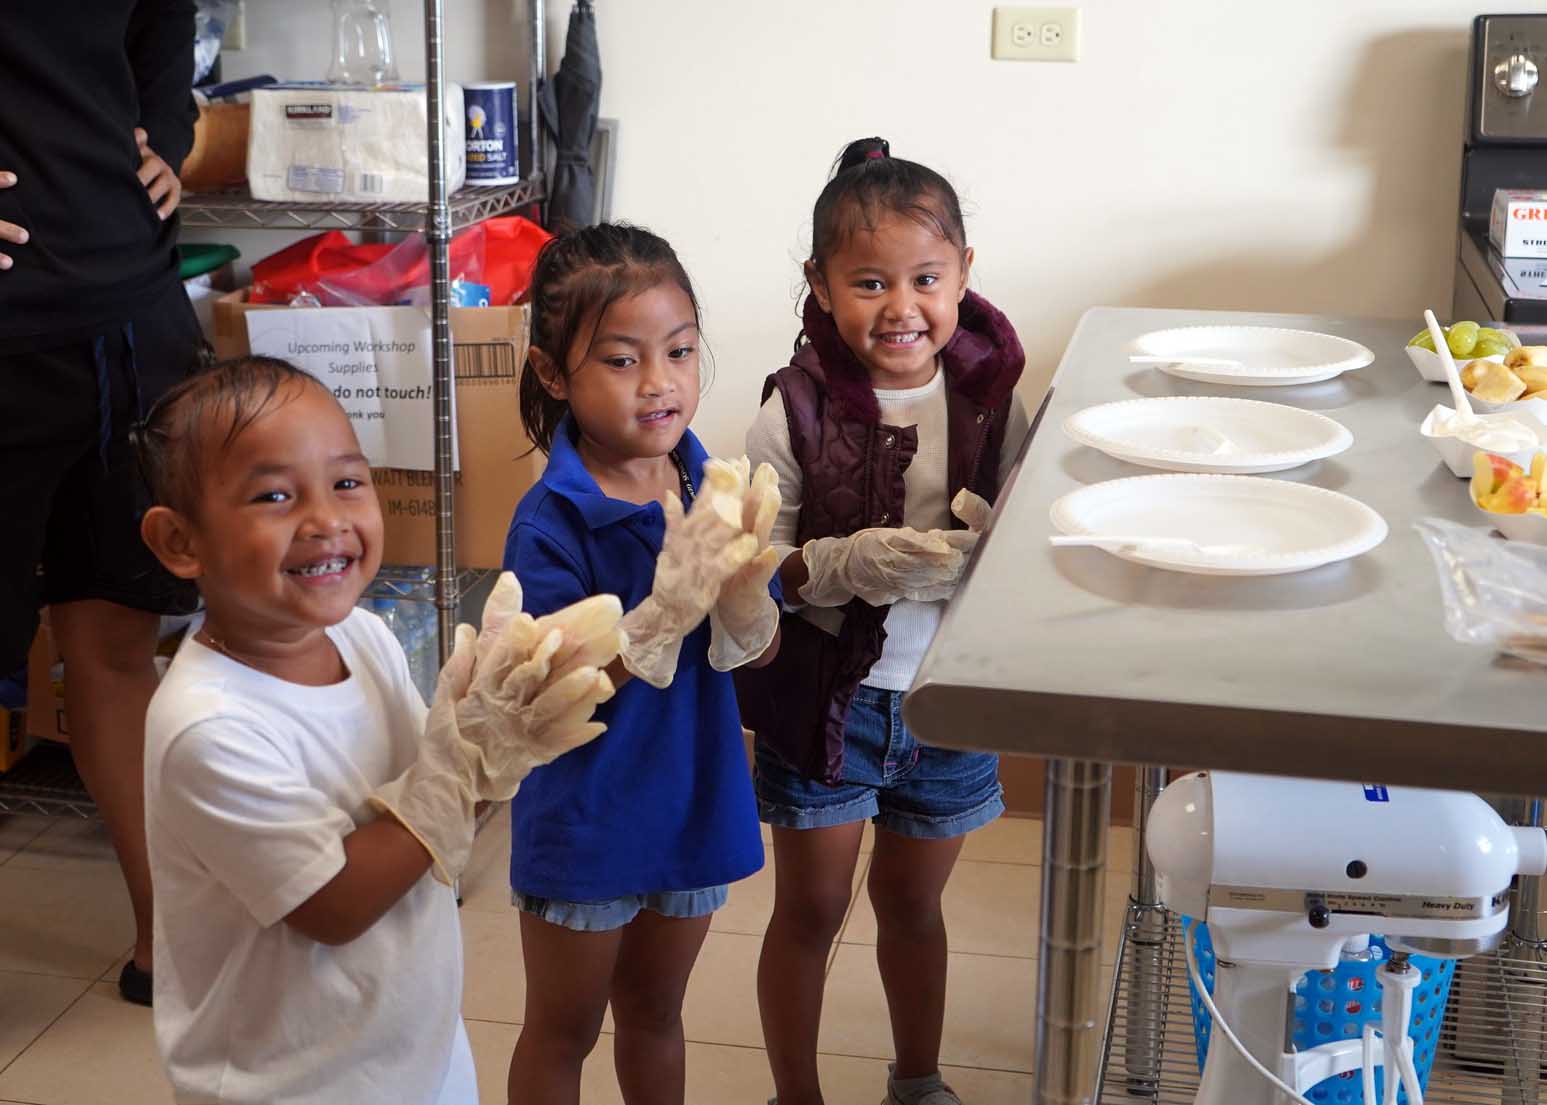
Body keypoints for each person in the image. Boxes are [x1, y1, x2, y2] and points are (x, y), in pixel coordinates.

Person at [134, 355, 621, 1104]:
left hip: (411, 1050)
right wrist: (465, 766)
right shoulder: (209, 728)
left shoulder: (364, 637)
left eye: (347, 481)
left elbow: (440, 799)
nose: (326, 519)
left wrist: (499, 740)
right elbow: (335, 905)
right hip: (292, 1080)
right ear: (179, 541)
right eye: (273, 494)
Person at [736, 137, 1032, 1105]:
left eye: (924, 278)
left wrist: (1003, 552)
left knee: (912, 904)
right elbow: (750, 575)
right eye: (867, 282)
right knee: (810, 909)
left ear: (962, 276)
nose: (900, 306)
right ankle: (796, 1093)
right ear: (819, 287)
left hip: (947, 698)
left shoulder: (990, 398)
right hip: (831, 701)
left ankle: (916, 1079)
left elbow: (1026, 527)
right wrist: (831, 565)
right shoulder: (792, 411)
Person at [502, 223, 783, 1105]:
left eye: (679, 350)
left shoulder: (710, 481)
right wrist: (661, 613)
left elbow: (752, 647)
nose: (659, 382)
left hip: (692, 796)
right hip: (589, 814)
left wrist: (742, 602)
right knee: (565, 1027)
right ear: (555, 375)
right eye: (621, 360)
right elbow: (547, 693)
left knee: (658, 1013)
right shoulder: (551, 520)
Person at [0, 0, 205, 1006]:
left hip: (130, 315)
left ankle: (165, 944)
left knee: (118, 645)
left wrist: (167, 135)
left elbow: (162, 29)